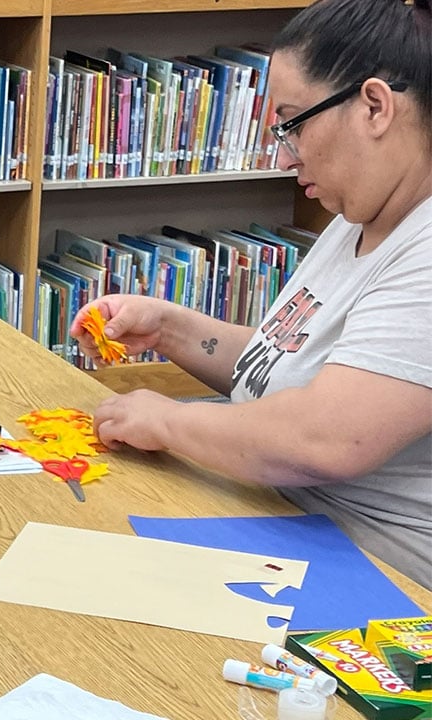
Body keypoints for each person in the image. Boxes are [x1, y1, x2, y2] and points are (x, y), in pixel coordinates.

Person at [71, 0, 431, 588]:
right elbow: (288, 367)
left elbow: (324, 437)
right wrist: (170, 329)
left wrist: (168, 421)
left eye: (294, 124)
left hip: (377, 577)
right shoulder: (358, 215)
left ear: (374, 106)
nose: (285, 155)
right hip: (279, 515)